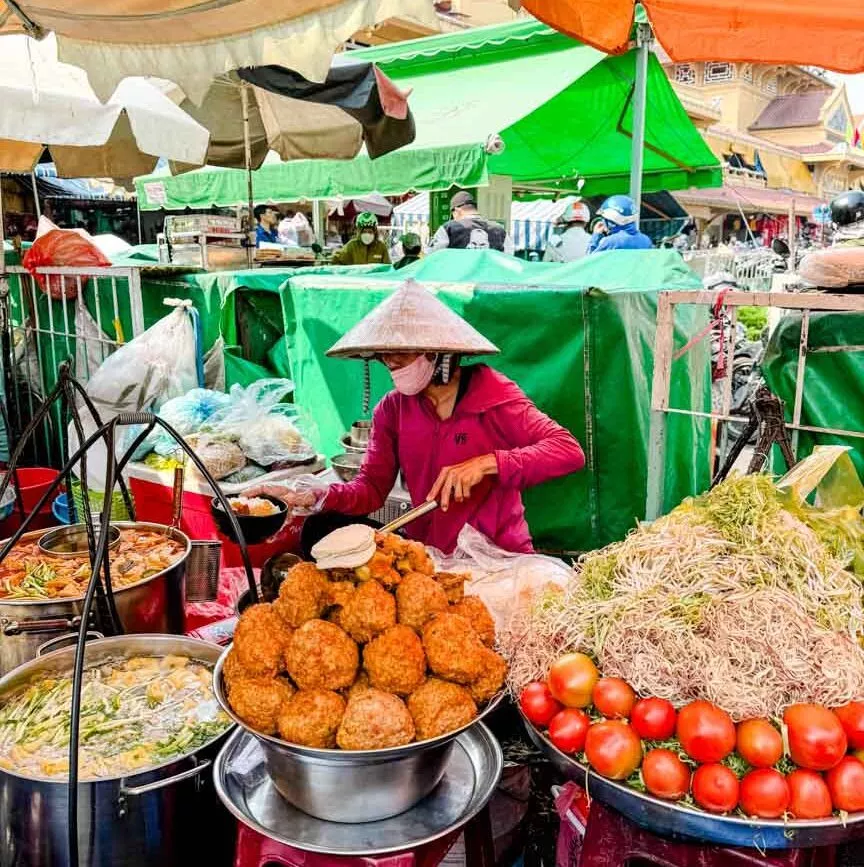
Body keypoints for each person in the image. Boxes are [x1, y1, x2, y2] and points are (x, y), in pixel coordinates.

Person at [255, 280, 585, 554]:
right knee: (320, 527)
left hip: (498, 556)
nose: (389, 361)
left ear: (438, 353)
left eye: (401, 351)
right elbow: (370, 490)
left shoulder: (493, 394)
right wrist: (318, 494)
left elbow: (568, 450)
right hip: (430, 555)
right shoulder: (392, 409)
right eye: (384, 353)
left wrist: (486, 464)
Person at [428, 190, 515, 255]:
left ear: (457, 211)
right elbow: (509, 257)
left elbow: (431, 255)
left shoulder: (449, 228)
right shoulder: (500, 230)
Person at [587, 195, 653, 254]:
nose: (602, 221)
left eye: (604, 218)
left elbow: (590, 260)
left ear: (612, 220)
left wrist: (596, 235)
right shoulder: (646, 240)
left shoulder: (610, 242)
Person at [543, 198, 591, 263]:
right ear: (586, 222)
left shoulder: (553, 243)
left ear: (566, 221)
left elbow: (545, 265)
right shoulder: (594, 243)